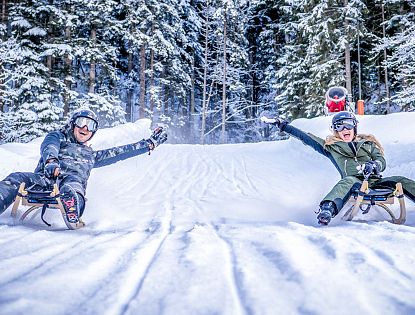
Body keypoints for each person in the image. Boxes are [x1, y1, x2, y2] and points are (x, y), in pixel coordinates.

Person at [0, 108, 167, 227]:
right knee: (17, 177)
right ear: (73, 124)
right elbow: (49, 146)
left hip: (70, 184)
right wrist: (51, 161)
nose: (85, 128)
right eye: (81, 123)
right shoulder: (58, 137)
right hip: (45, 179)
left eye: (91, 126)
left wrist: (148, 144)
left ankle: (72, 206)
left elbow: (119, 152)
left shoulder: (91, 155)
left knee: (73, 185)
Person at [263, 111, 415, 225]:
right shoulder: (331, 147)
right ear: (336, 130)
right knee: (347, 180)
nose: (344, 129)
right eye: (339, 126)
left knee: (400, 180)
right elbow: (307, 138)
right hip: (354, 183)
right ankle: (328, 208)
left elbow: (381, 160)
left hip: (375, 181)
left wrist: (374, 165)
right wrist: (283, 125)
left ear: (354, 126)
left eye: (348, 124)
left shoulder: (368, 143)